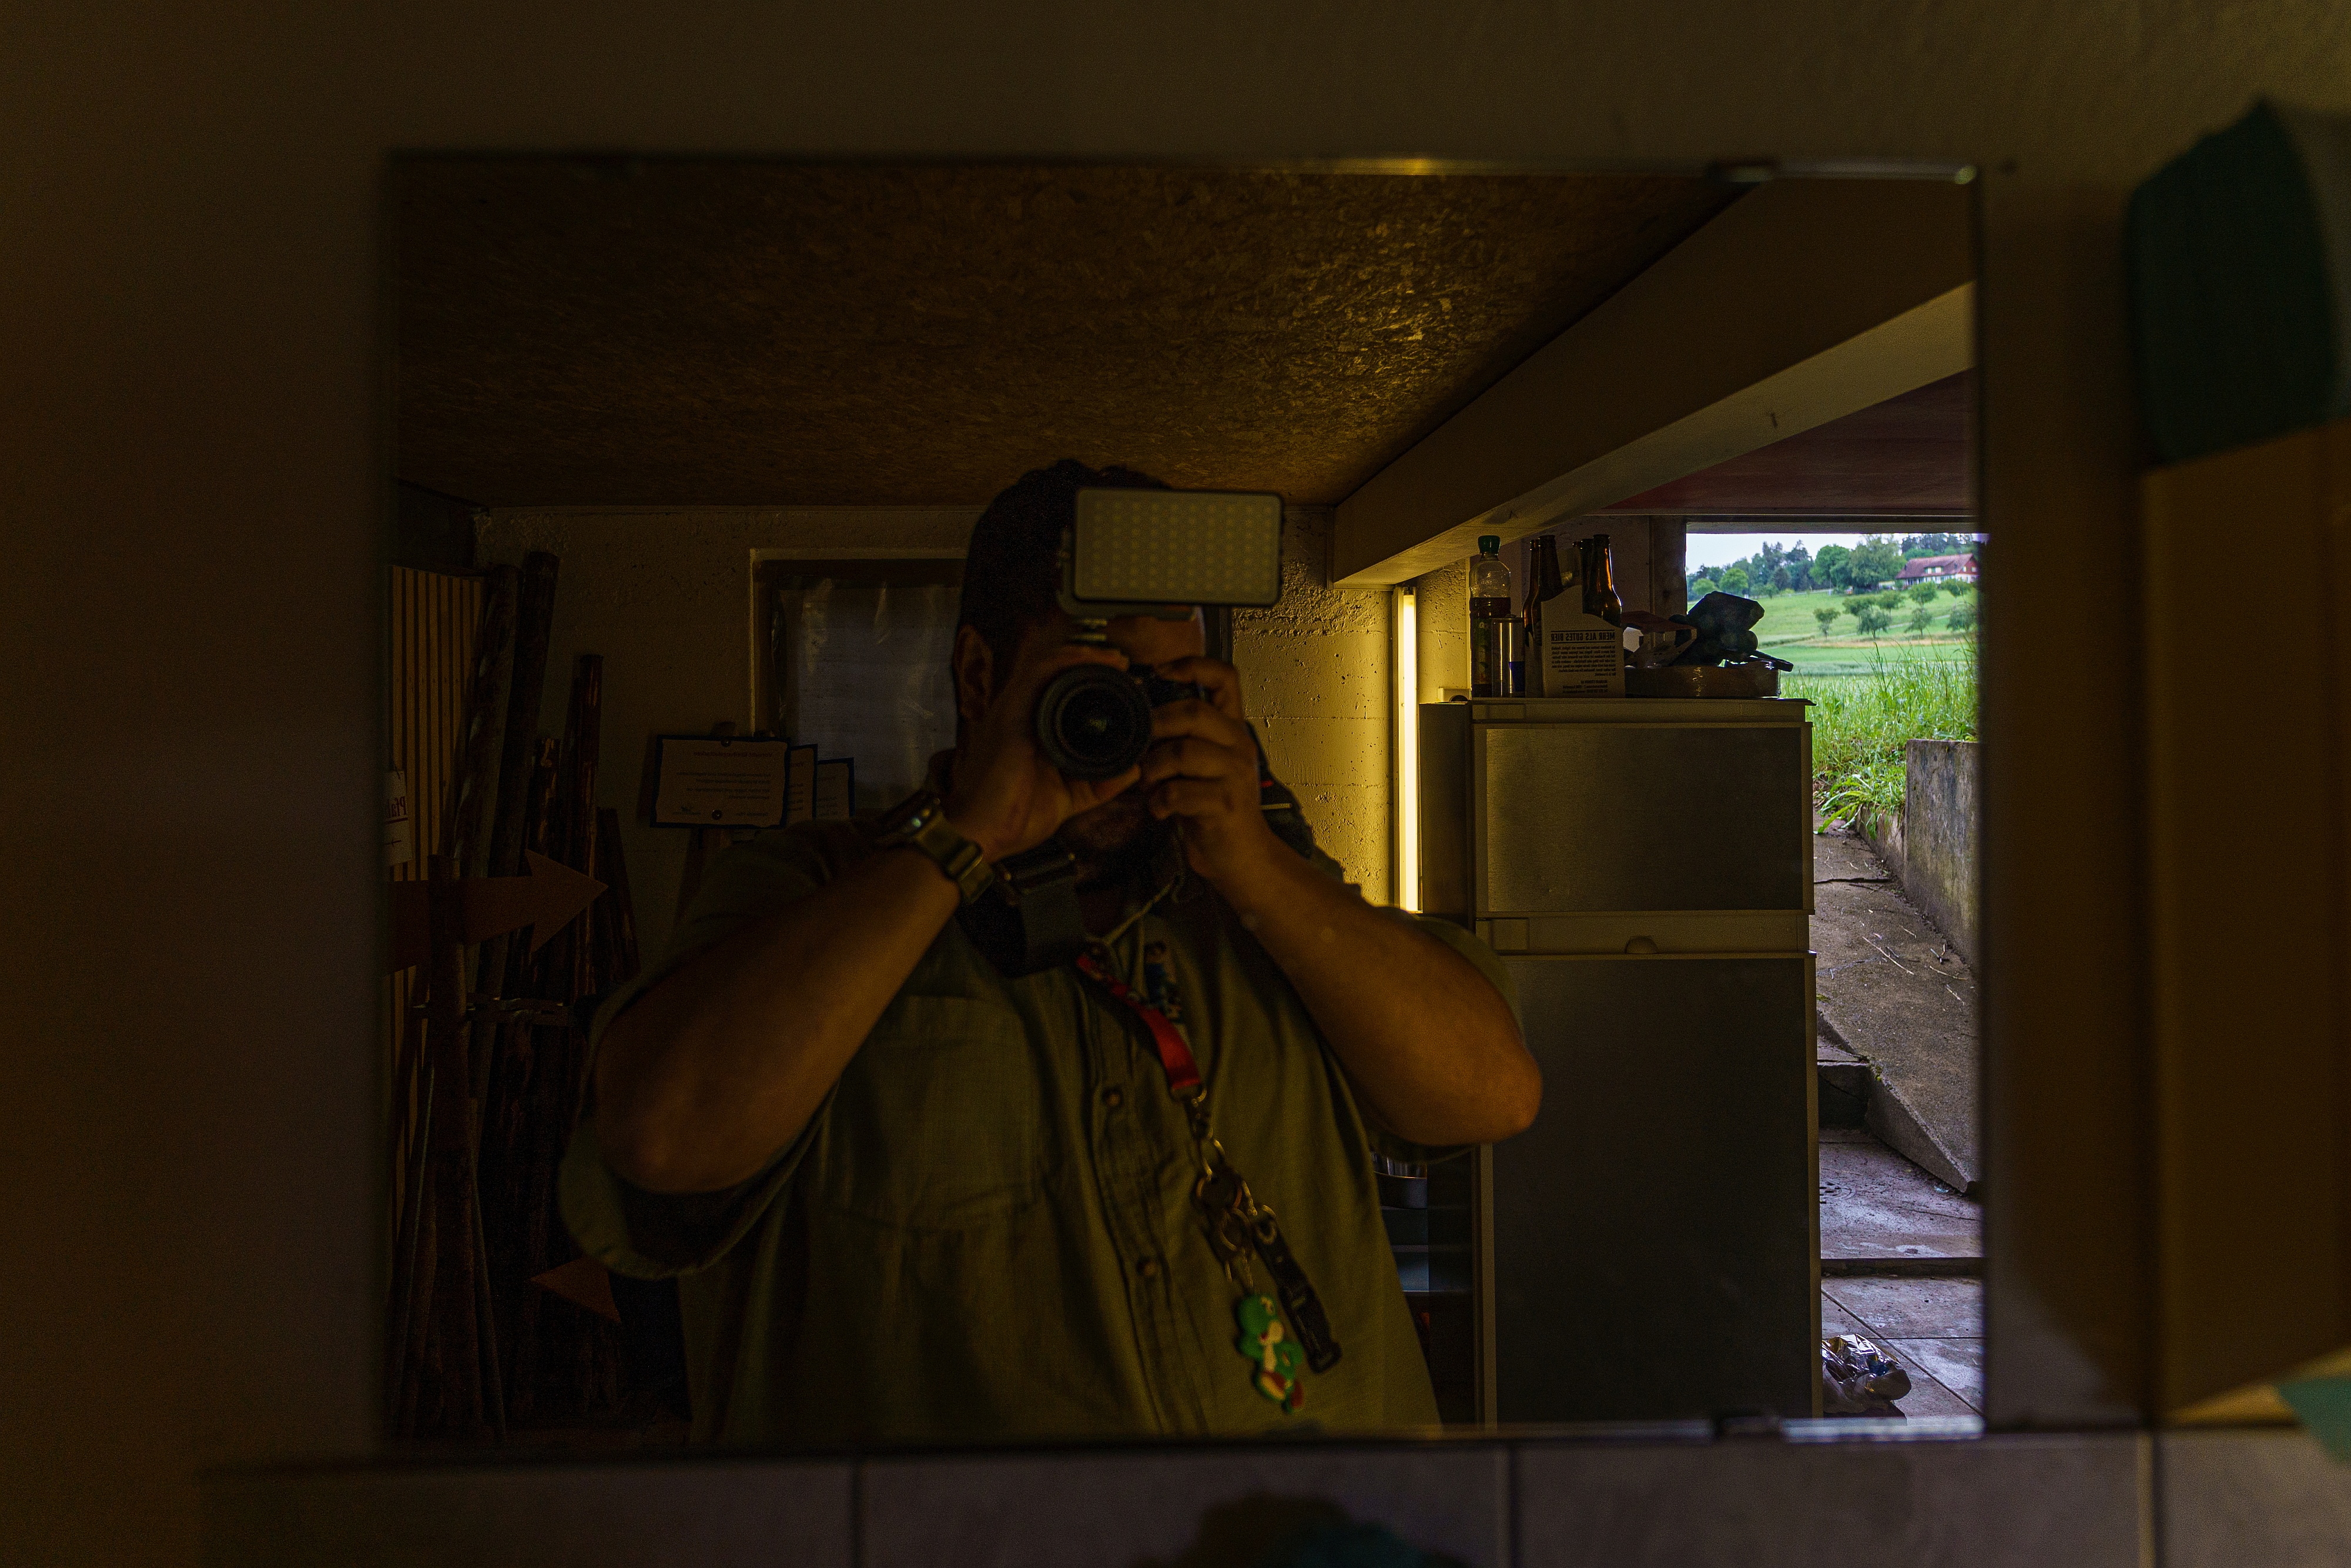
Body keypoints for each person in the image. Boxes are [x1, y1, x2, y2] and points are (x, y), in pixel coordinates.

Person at [563, 460, 1539, 1445]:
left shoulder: (1262, 899)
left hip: (1320, 1517)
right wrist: (965, 840)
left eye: (1166, 691)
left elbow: (1491, 1095)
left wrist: (1259, 868)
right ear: (979, 677)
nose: (1124, 730)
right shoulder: (808, 890)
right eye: (1094, 688)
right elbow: (662, 1138)